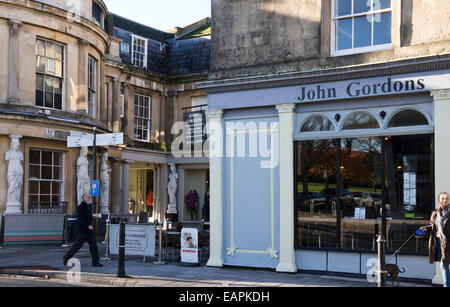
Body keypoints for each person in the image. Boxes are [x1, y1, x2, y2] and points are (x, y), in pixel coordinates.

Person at [64, 193, 103, 268]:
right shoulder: (80, 207)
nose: (89, 198)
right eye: (88, 197)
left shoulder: (89, 207)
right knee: (76, 246)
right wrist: (88, 225)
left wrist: (96, 216)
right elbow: (80, 219)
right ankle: (66, 258)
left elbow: (89, 216)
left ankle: (95, 262)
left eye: (90, 197)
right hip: (82, 231)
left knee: (94, 246)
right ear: (83, 198)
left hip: (89, 231)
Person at [422, 192, 450, 287]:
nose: (444, 200)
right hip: (438, 241)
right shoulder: (435, 213)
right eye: (442, 198)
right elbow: (433, 227)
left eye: (446, 198)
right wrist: (426, 229)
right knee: (444, 264)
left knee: (444, 264)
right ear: (439, 200)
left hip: (448, 242)